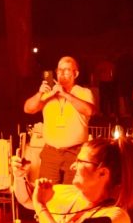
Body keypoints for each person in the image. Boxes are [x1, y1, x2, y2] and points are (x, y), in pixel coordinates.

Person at [23, 56, 96, 184]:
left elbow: (89, 111)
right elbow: (28, 109)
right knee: (46, 190)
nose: (61, 73)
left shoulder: (84, 92)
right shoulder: (48, 93)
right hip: (51, 153)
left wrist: (65, 94)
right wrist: (40, 94)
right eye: (59, 70)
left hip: (75, 153)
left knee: (71, 191)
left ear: (75, 74)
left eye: (66, 70)